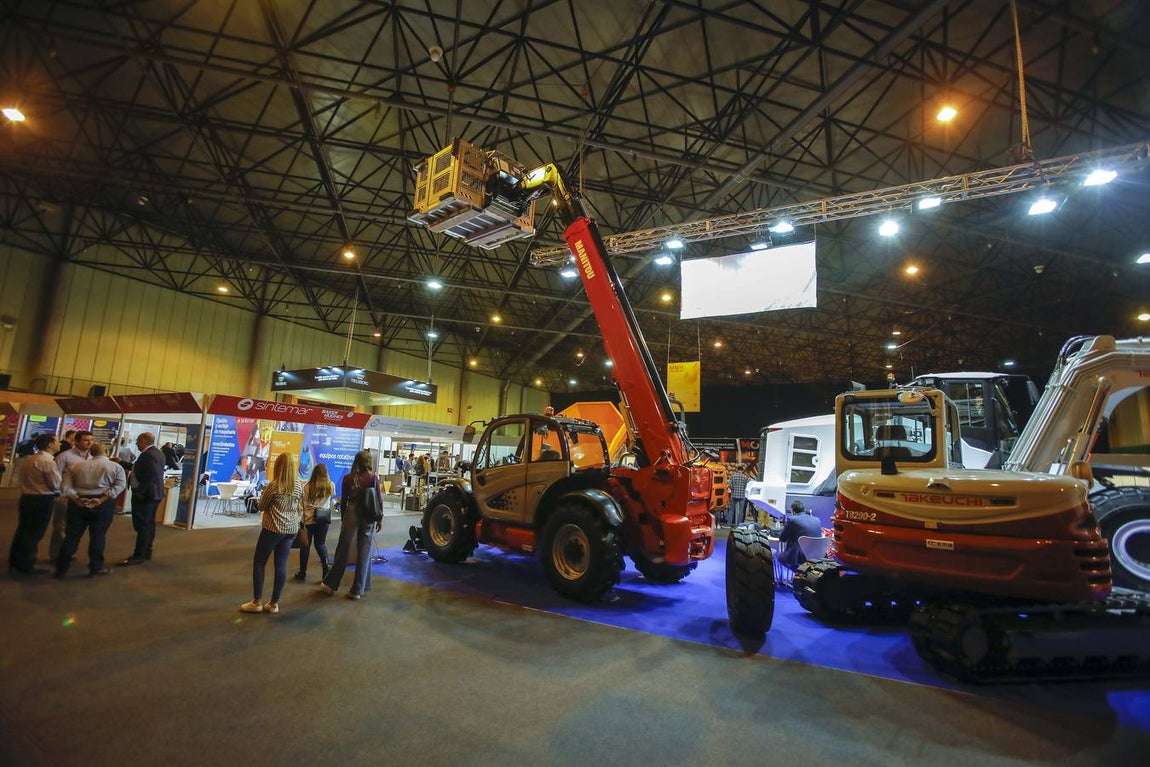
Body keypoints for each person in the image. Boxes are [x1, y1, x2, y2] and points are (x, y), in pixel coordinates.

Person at [240, 452, 304, 614]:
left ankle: (257, 602)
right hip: (290, 530)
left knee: (259, 562)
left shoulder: (274, 486)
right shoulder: (298, 486)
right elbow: (299, 507)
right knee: (281, 565)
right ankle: (274, 603)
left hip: (272, 529)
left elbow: (261, 506)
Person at [55, 443, 127, 578]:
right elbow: (120, 485)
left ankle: (61, 567)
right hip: (103, 505)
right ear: (107, 451)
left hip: (78, 504)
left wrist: (77, 499)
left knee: (71, 536)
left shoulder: (76, 466)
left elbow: (65, 486)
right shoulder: (116, 467)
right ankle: (95, 567)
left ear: (91, 453)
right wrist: (101, 499)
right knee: (98, 536)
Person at [320, 449, 382, 601]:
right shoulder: (373, 478)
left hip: (352, 511)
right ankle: (357, 589)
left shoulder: (348, 478)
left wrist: (343, 518)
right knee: (364, 552)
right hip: (368, 514)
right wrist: (380, 518)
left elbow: (344, 501)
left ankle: (330, 584)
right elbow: (378, 500)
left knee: (343, 550)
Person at [8, 434, 61, 576]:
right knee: (34, 533)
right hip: (41, 500)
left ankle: (16, 560)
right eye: (57, 441)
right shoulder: (47, 461)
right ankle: (26, 564)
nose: (59, 444)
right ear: (50, 445)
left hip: (27, 498)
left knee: (23, 530)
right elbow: (55, 483)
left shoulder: (31, 459)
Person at [120, 432, 166, 566]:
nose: (136, 444)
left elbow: (150, 474)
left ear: (144, 441)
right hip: (154, 494)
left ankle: (139, 554)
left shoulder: (148, 454)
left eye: (137, 442)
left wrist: (140, 491)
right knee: (148, 524)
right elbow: (140, 469)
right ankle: (146, 551)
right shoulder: (157, 453)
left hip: (146, 496)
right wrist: (122, 463)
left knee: (142, 525)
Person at [50, 430, 93, 561]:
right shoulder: (65, 457)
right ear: (77, 441)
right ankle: (56, 555)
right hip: (65, 495)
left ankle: (68, 552)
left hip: (84, 496)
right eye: (86, 440)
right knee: (60, 526)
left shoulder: (93, 457)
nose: (89, 443)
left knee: (75, 527)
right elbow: (56, 477)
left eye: (91, 440)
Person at [294, 463, 335, 582]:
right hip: (323, 520)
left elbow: (301, 505)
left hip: (308, 520)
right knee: (321, 544)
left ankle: (302, 572)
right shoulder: (330, 486)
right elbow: (331, 499)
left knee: (305, 546)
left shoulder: (307, 487)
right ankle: (326, 571)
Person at [777, 500, 824, 571]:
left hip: (800, 556)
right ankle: (803, 574)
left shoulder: (792, 520)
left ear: (793, 511)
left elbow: (782, 539)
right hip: (817, 555)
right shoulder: (817, 520)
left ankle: (799, 573)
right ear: (804, 510)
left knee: (780, 557)